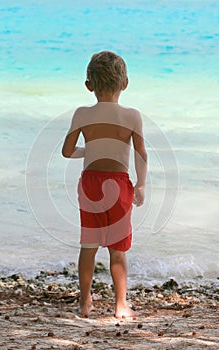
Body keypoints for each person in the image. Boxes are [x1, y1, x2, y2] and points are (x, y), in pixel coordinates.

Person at [62, 51, 147, 318]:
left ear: (89, 85)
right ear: (125, 83)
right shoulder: (132, 116)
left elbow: (66, 151)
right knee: (118, 249)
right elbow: (140, 153)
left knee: (88, 245)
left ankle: (85, 302)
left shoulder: (82, 114)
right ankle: (121, 305)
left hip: (90, 184)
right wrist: (141, 185)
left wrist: (87, 152)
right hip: (120, 185)